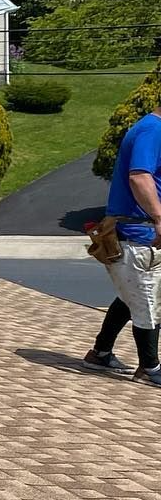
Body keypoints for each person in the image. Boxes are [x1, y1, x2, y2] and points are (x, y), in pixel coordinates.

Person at [84, 100, 161, 387]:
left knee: (132, 296)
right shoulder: (153, 131)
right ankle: (150, 368)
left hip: (139, 234)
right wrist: (159, 217)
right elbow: (139, 176)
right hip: (138, 235)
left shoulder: (150, 128)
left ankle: (100, 353)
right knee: (149, 303)